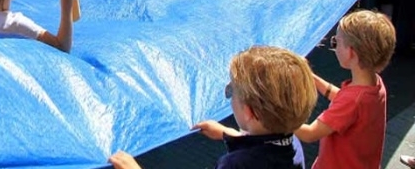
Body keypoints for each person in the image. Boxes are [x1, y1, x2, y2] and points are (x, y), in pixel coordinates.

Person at [110, 46, 317, 169]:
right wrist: (227, 134)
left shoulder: (235, 165)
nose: (229, 94)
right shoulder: (292, 143)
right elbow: (264, 148)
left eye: (231, 91)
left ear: (250, 112)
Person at [296, 10, 396, 169]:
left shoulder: (353, 101)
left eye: (335, 42)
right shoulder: (375, 85)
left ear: (351, 52)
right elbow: (343, 98)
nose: (333, 46)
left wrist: (277, 116)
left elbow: (309, 134)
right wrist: (311, 77)